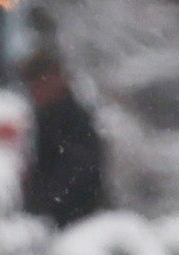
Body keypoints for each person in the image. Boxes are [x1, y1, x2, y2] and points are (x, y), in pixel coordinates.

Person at [19, 48, 114, 227]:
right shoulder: (46, 119)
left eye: (38, 84)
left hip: (78, 221)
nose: (34, 92)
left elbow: (78, 172)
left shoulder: (71, 119)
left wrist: (43, 200)